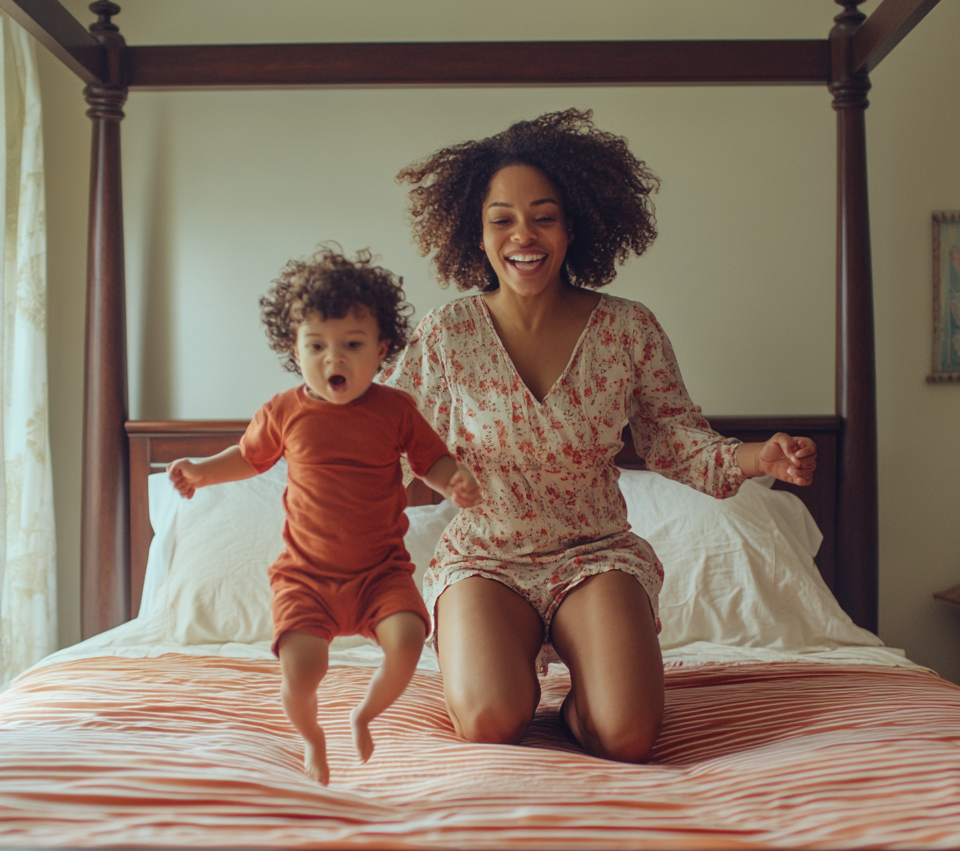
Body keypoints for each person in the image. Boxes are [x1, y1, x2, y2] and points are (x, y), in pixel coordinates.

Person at [380, 108, 816, 763]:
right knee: (492, 721)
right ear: (476, 230)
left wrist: (761, 457)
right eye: (502, 217)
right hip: (485, 558)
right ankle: (516, 680)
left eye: (544, 215)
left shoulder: (628, 330)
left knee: (627, 736)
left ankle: (586, 699)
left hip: (595, 556)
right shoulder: (447, 333)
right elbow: (397, 440)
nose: (523, 234)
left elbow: (675, 439)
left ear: (573, 224)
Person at [168, 248, 481, 785]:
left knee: (408, 641)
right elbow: (248, 457)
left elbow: (431, 461)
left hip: (381, 573)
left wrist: (453, 479)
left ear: (382, 350)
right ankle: (313, 739)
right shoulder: (284, 412)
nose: (333, 359)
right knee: (302, 667)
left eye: (351, 346)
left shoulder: (396, 410)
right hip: (307, 577)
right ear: (295, 349)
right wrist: (200, 472)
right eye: (316, 346)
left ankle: (365, 715)